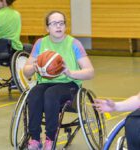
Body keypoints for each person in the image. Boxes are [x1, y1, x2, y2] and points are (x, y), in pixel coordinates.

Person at [23, 10, 94, 150]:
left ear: (65, 26)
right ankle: (35, 139)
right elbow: (26, 71)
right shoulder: (40, 43)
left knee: (51, 94)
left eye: (61, 23)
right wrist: (34, 67)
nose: (58, 26)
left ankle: (50, 138)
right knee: (34, 94)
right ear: (47, 28)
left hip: (69, 84)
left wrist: (70, 72)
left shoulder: (74, 43)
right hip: (45, 83)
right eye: (54, 23)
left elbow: (90, 72)